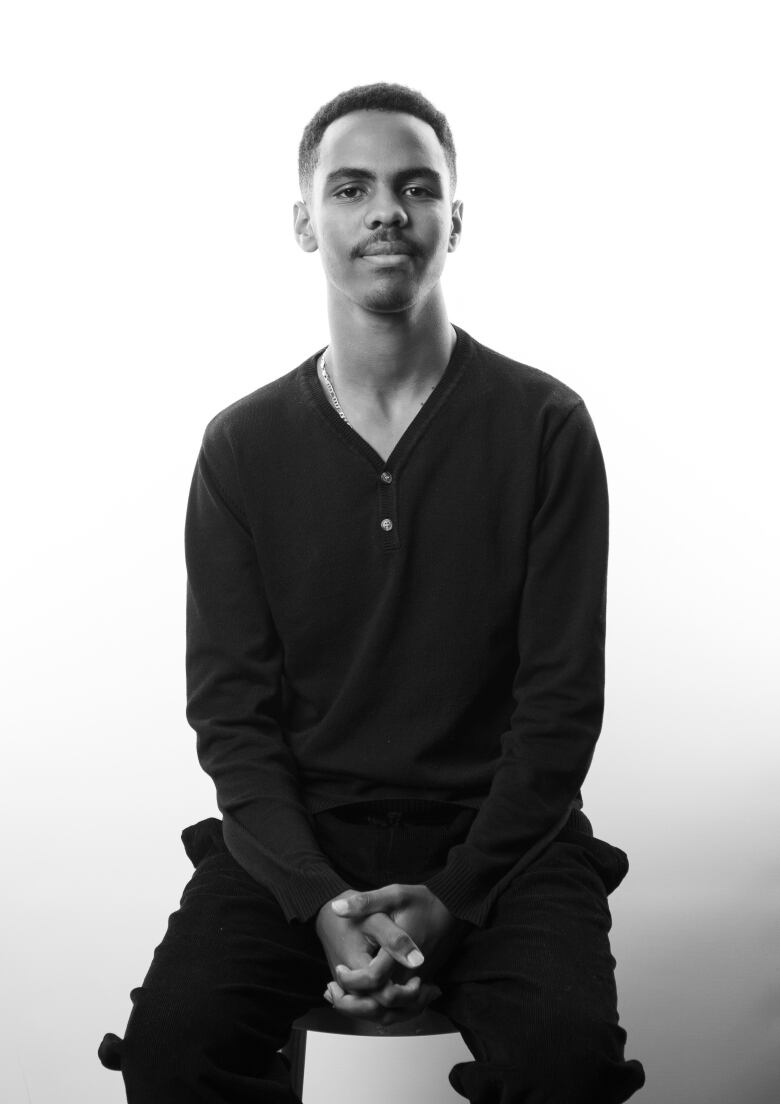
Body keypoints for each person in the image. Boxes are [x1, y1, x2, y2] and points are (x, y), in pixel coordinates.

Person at [100, 82, 646, 1103]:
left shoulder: (545, 426)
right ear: (307, 221)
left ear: (454, 219)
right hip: (295, 841)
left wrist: (453, 899)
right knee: (173, 1054)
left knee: (564, 1060)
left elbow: (561, 708)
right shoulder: (242, 446)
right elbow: (232, 719)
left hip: (505, 843)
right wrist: (317, 901)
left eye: (415, 187)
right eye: (351, 188)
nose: (387, 210)